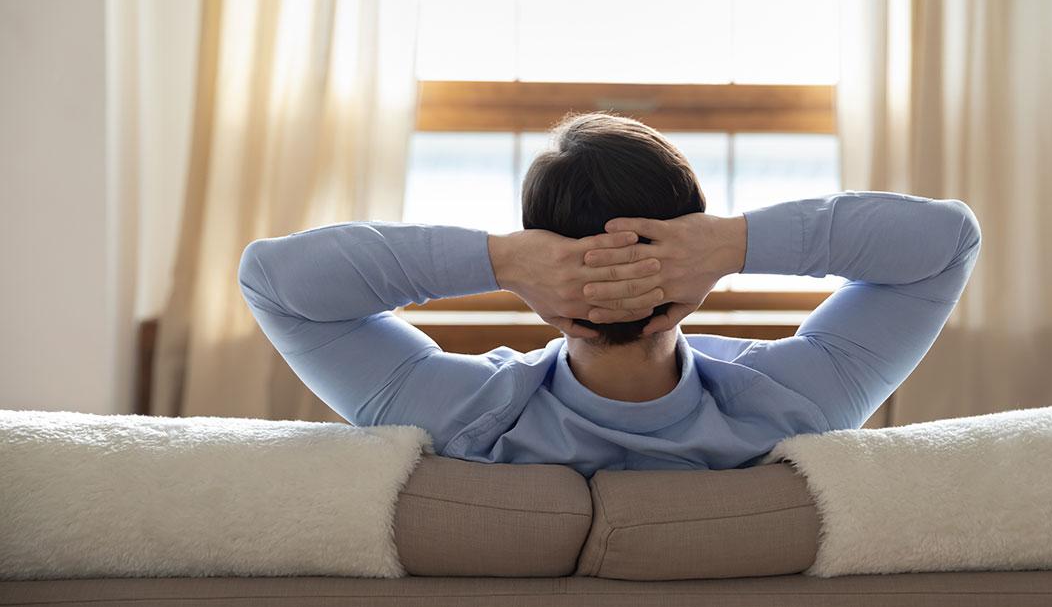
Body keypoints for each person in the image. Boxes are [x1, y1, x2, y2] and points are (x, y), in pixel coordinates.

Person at [238, 112, 981, 478]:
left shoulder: (466, 420)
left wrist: (500, 259)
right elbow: (947, 242)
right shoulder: (793, 405)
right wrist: (731, 245)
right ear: (687, 270)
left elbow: (273, 281)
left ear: (542, 272)